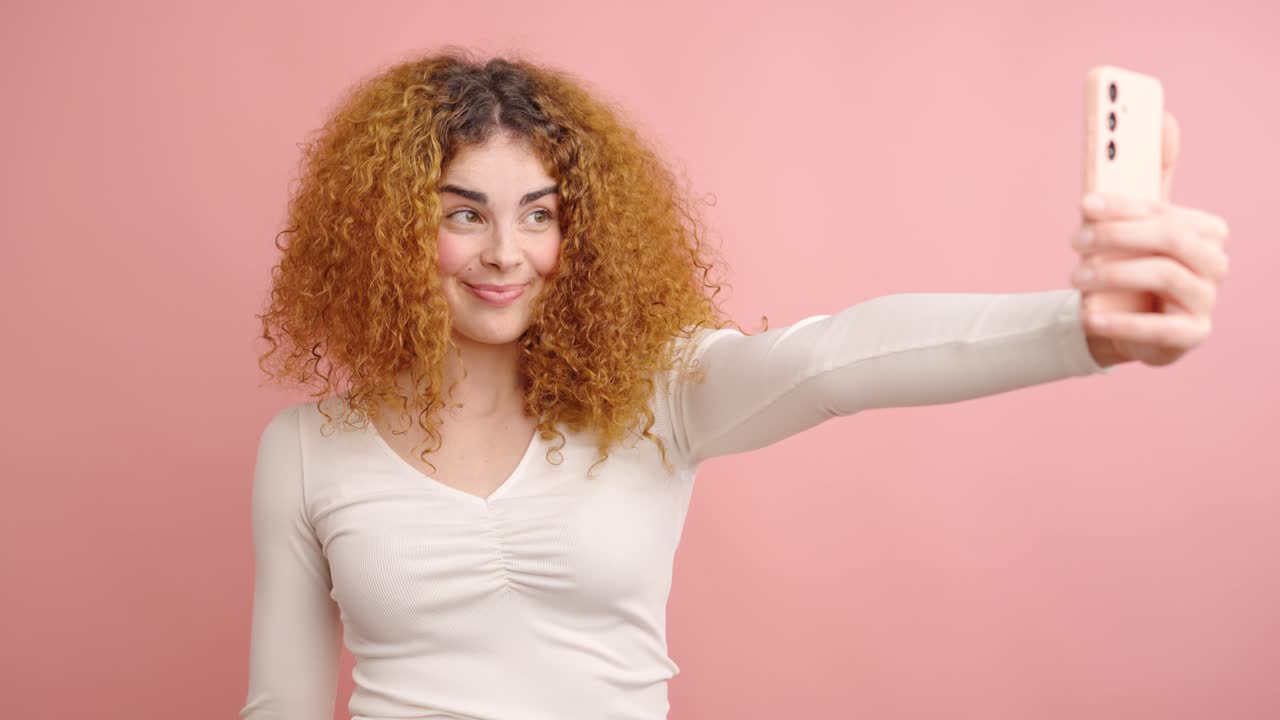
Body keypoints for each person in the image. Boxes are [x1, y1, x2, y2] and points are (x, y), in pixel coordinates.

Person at [239, 47, 1230, 720]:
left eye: (539, 215)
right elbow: (279, 708)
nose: (505, 252)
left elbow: (831, 358)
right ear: (386, 229)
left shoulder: (658, 395)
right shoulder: (306, 449)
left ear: (578, 231)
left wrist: (1083, 332)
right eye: (465, 215)